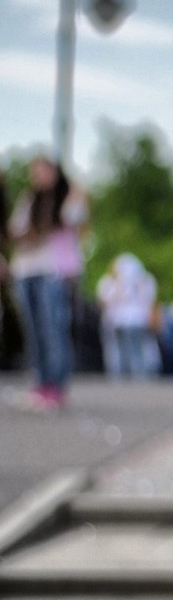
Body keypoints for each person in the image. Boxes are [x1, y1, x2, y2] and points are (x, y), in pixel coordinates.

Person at [5, 156, 89, 410]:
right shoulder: (29, 200)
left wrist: (75, 188)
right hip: (26, 270)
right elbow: (14, 231)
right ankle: (41, 384)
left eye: (45, 170)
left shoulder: (65, 197)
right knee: (34, 331)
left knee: (53, 328)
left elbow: (77, 216)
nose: (39, 175)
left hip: (53, 270)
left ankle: (56, 387)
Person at [97, 252, 160, 378]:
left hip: (130, 321)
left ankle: (133, 375)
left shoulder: (141, 281)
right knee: (126, 350)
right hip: (123, 321)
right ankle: (128, 375)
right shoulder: (112, 282)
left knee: (131, 350)